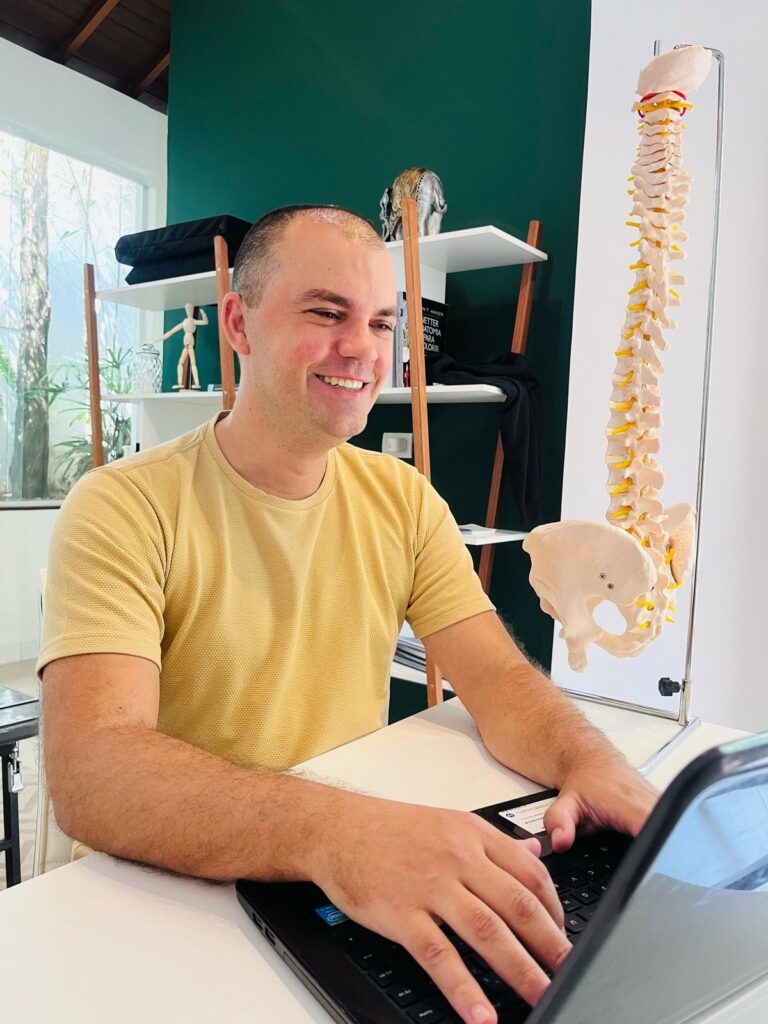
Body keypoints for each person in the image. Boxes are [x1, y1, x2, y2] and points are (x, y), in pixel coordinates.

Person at [40, 205, 657, 1024]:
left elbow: (497, 679)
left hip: (337, 885)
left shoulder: (403, 498)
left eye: (381, 322)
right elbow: (93, 774)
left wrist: (590, 761)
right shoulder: (122, 506)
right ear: (239, 323)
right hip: (163, 905)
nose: (363, 348)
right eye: (326, 313)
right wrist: (344, 834)